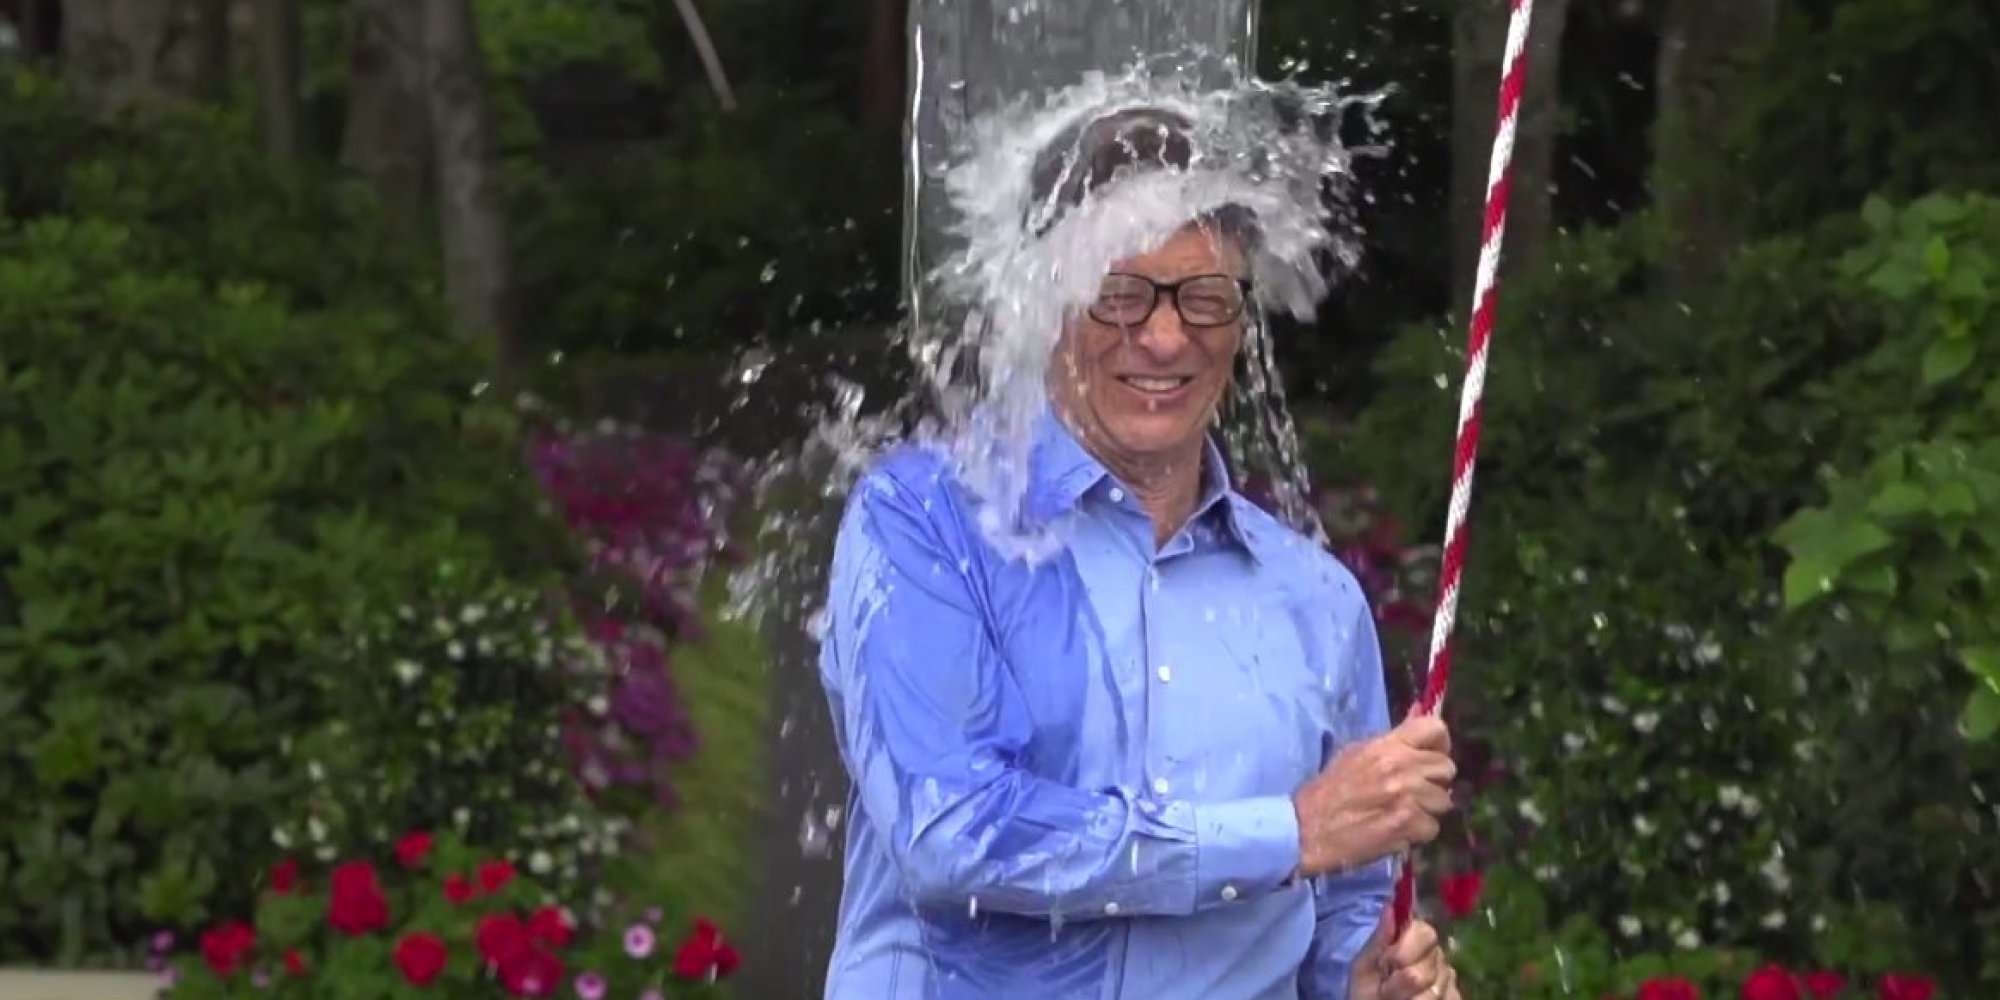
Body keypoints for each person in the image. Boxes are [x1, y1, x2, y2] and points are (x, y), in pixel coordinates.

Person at [816, 106, 1464, 1000]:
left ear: (1242, 321)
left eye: (1205, 298)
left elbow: (1342, 913)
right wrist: (1290, 831)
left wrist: (1369, 977)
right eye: (1119, 292)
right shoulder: (925, 523)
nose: (1164, 338)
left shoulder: (1318, 600)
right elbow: (951, 832)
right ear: (1046, 299)